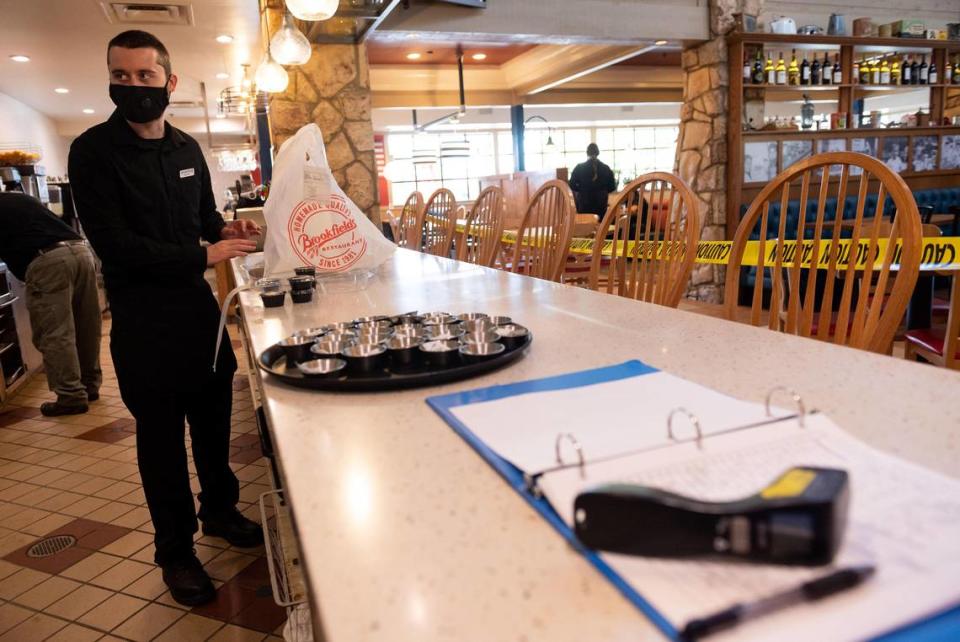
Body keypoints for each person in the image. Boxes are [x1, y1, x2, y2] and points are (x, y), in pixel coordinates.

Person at [68, 30, 262, 607]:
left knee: (213, 423)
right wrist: (206, 254)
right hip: (142, 320)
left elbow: (204, 218)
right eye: (120, 77)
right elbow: (114, 244)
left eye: (144, 76)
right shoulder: (92, 151)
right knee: (160, 444)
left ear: (168, 82)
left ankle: (221, 512)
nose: (132, 87)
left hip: (197, 315)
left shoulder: (185, 149)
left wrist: (227, 231)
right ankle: (174, 552)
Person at [0, 192, 101, 415]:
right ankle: (89, 385)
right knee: (87, 325)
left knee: (55, 332)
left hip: (48, 261)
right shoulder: (17, 198)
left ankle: (71, 395)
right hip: (80, 251)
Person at [569, 143, 617, 217]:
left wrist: (581, 189)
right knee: (601, 226)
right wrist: (602, 191)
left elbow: (571, 184)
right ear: (598, 153)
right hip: (601, 204)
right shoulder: (606, 168)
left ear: (587, 153)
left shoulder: (579, 168)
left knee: (586, 226)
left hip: (584, 203)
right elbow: (612, 187)